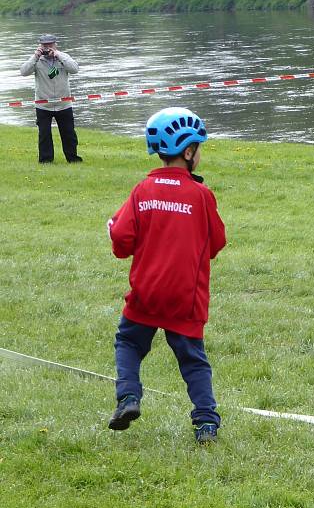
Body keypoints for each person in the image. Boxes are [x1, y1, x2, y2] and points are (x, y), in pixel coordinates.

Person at [106, 107, 226, 443]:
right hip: (186, 297)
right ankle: (206, 423)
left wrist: (113, 233)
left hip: (146, 292)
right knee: (193, 362)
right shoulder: (201, 195)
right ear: (188, 152)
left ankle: (129, 397)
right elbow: (217, 241)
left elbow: (121, 239)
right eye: (199, 147)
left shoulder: (142, 191)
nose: (200, 153)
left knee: (129, 342)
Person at [19, 33, 82, 164]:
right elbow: (23, 72)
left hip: (64, 103)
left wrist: (59, 56)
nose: (47, 48)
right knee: (44, 135)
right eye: (44, 45)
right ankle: (46, 161)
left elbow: (75, 69)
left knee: (69, 134)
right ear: (40, 46)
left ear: (55, 45)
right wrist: (35, 56)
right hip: (43, 104)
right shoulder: (36, 60)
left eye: (50, 45)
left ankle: (73, 159)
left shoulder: (63, 57)